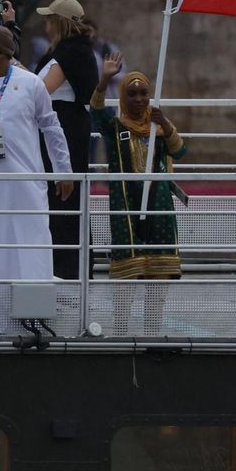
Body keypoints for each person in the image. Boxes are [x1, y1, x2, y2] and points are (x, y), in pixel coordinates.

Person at [0, 25, 73, 332]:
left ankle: (32, 322)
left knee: (30, 252)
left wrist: (63, 171)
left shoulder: (31, 83)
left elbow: (51, 127)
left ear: (0, 53)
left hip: (25, 186)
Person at [92, 56, 187, 332]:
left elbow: (180, 151)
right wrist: (105, 80)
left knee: (158, 270)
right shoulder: (115, 128)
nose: (137, 99)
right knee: (127, 270)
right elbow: (96, 113)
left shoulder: (159, 126)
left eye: (143, 94)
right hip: (126, 207)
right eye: (131, 94)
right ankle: (121, 330)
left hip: (159, 207)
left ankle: (152, 331)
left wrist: (166, 126)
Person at [33, 0, 98, 280]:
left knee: (62, 198)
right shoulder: (70, 51)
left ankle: (67, 267)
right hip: (65, 128)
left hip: (65, 130)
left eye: (49, 19)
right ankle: (65, 264)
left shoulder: (70, 53)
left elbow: (41, 90)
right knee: (61, 200)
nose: (45, 24)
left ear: (58, 22)